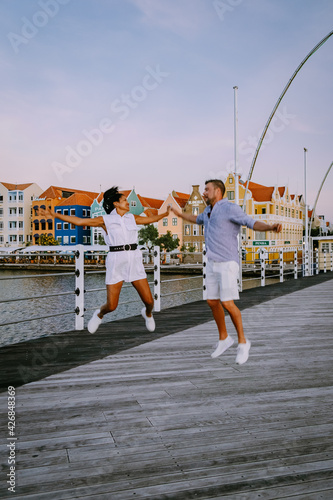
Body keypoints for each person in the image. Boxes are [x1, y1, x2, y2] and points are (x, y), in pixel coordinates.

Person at [171, 179, 282, 365]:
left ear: (218, 191)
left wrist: (270, 227)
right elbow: (195, 219)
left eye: (207, 189)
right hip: (212, 262)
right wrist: (179, 214)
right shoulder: (207, 211)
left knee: (228, 303)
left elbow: (251, 222)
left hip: (227, 262)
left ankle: (243, 343)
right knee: (212, 301)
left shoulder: (230, 208)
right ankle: (224, 339)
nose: (204, 193)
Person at [40, 187, 170, 334]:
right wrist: (54, 214)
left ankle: (147, 314)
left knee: (149, 301)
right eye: (125, 200)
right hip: (116, 262)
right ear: (116, 203)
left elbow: (149, 220)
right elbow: (80, 221)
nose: (128, 203)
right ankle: (99, 314)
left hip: (134, 260)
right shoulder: (105, 220)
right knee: (112, 305)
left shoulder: (131, 218)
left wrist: (165, 214)